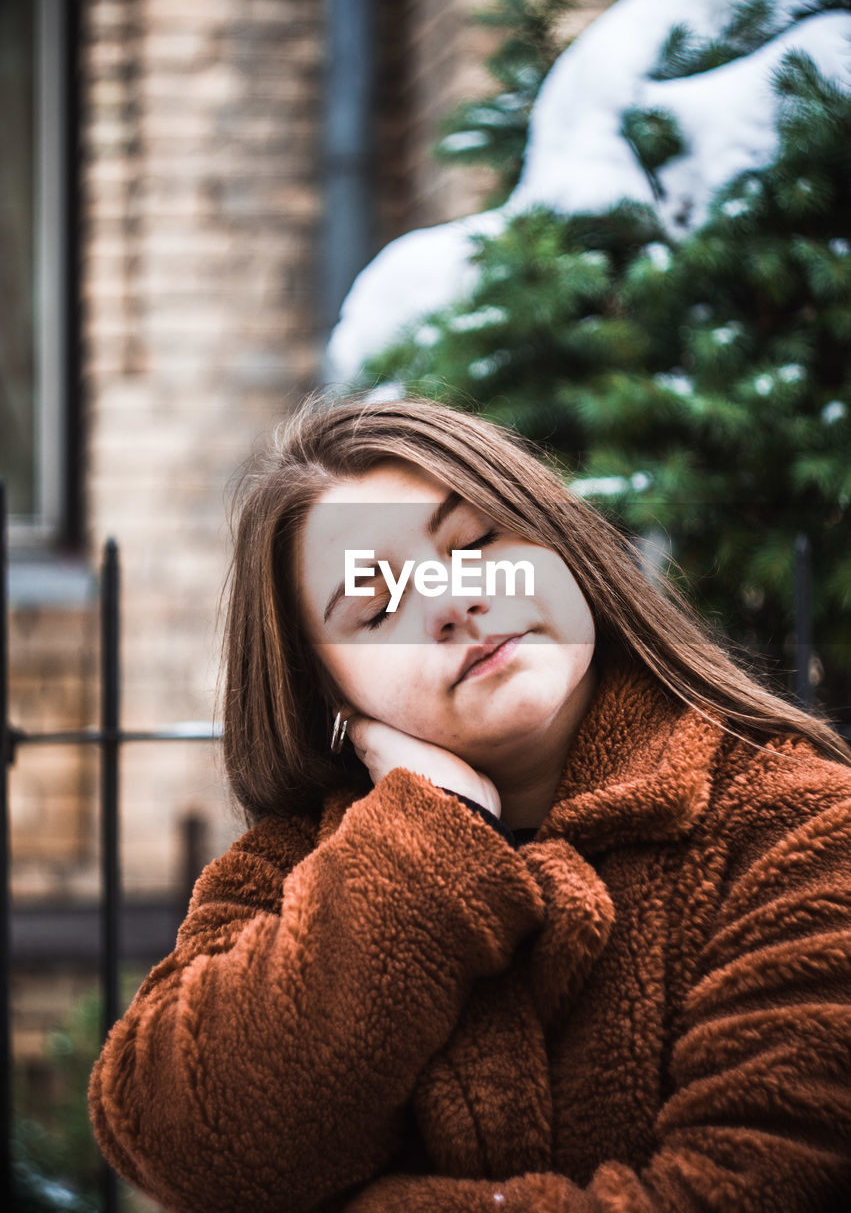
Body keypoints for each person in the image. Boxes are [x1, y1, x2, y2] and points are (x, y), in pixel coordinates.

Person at [88, 393, 851, 1213]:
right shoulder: (292, 873)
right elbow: (182, 1141)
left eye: (478, 543)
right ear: (330, 693)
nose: (450, 603)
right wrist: (429, 843)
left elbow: (751, 1185)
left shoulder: (796, 823)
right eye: (377, 609)